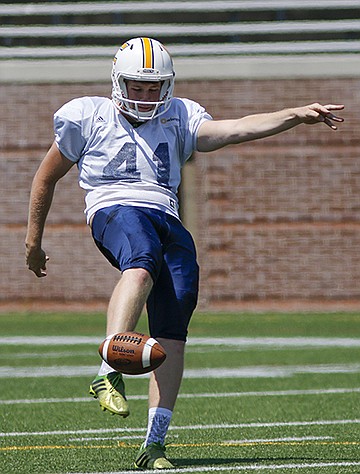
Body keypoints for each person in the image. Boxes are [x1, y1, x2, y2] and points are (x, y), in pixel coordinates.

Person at [25, 37, 344, 470]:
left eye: (153, 87)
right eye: (136, 86)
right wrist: (33, 242)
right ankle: (108, 371)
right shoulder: (87, 116)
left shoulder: (179, 116)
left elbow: (237, 128)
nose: (145, 95)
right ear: (118, 82)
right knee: (142, 261)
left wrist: (293, 115)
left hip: (167, 216)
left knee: (173, 327)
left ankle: (154, 445)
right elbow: (45, 179)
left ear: (168, 86)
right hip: (115, 206)